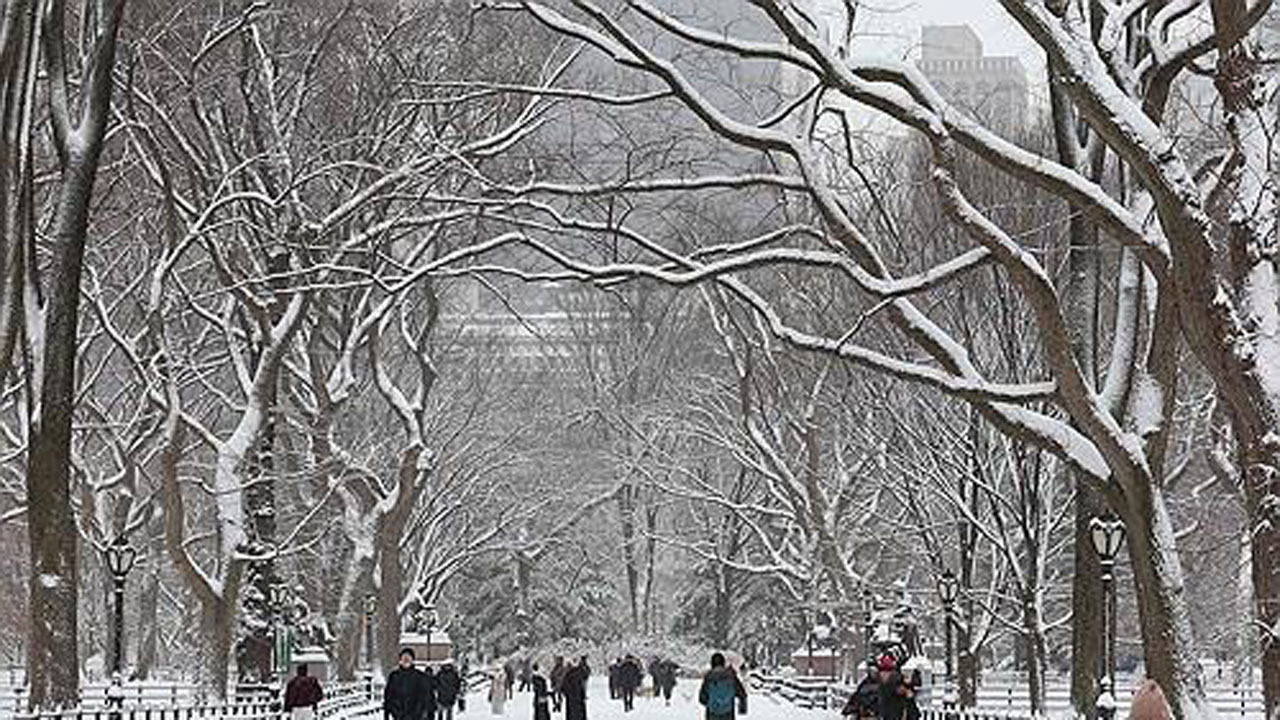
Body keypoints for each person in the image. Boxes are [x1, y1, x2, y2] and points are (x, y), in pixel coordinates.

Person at [698, 652, 747, 720]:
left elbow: (702, 698)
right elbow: (742, 694)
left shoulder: (709, 677)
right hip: (728, 713)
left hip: (712, 714)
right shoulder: (731, 676)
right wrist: (742, 708)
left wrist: (711, 703)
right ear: (723, 662)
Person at [385, 648, 428, 720]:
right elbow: (389, 695)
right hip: (398, 715)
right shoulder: (394, 676)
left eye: (408, 658)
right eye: (404, 658)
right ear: (400, 660)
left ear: (412, 660)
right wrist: (391, 711)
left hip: (415, 716)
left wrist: (418, 713)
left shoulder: (420, 676)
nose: (406, 660)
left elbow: (423, 697)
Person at [874, 655, 916, 720]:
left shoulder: (901, 687)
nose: (885, 674)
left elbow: (912, 712)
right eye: (883, 671)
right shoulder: (872, 684)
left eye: (888, 671)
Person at [562, 656, 591, 720]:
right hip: (578, 696)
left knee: (572, 713)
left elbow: (564, 686)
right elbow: (586, 674)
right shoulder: (579, 672)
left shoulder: (568, 674)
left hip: (572, 697)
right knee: (579, 713)